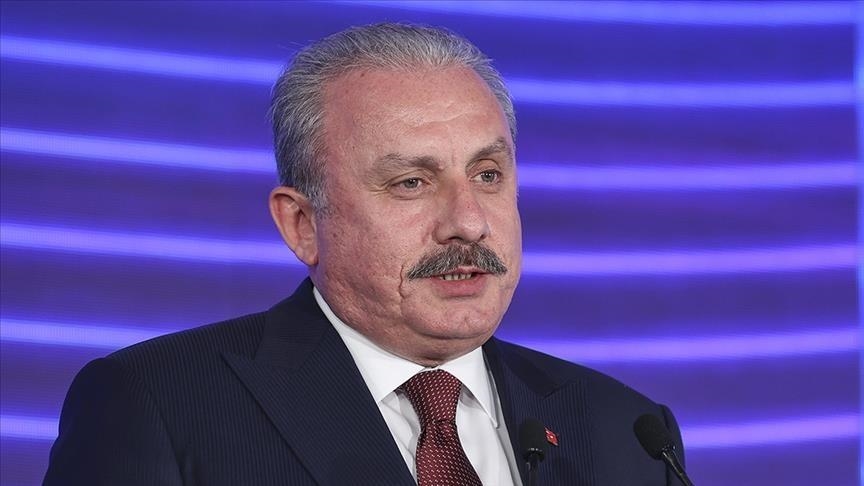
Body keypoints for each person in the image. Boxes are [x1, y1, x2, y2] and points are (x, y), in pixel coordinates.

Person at [44, 23, 685, 485]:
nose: (468, 223)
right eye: (411, 182)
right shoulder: (158, 404)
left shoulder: (626, 430)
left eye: (488, 175)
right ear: (301, 225)